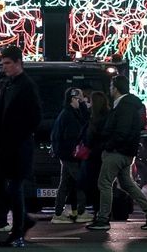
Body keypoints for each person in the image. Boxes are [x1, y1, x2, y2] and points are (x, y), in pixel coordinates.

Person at [85, 75, 147, 232]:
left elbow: (122, 131)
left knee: (104, 183)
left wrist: (108, 146)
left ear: (116, 88)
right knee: (127, 184)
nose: (110, 89)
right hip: (124, 152)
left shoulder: (124, 106)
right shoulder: (129, 105)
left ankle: (103, 219)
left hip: (117, 152)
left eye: (111, 86)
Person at [0, 46, 42, 247]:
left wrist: (17, 135)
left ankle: (18, 230)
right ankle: (22, 223)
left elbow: (35, 117)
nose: (5, 67)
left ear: (19, 62)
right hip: (5, 146)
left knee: (14, 187)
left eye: (8, 63)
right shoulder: (9, 84)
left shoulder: (26, 86)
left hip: (16, 147)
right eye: (3, 64)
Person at [50, 87, 91, 224]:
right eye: (80, 97)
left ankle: (58, 214)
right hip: (70, 155)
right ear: (73, 98)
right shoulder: (70, 115)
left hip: (65, 155)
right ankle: (81, 212)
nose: (83, 99)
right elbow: (80, 129)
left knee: (65, 185)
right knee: (81, 182)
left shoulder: (68, 112)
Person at [84, 91, 110, 216]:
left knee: (94, 184)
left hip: (94, 155)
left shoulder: (94, 119)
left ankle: (98, 211)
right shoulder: (109, 116)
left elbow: (89, 139)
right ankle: (102, 211)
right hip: (104, 153)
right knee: (103, 184)